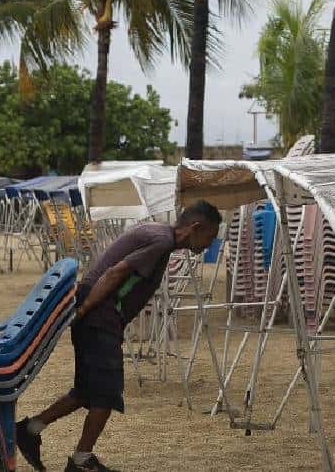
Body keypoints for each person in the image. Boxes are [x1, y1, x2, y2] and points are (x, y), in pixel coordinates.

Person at [15, 200, 223, 472]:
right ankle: (81, 460)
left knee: (87, 390)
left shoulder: (159, 235)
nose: (209, 244)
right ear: (195, 227)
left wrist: (105, 320)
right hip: (99, 314)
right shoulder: (161, 242)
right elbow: (116, 273)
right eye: (209, 236)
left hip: (103, 318)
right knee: (107, 394)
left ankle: (31, 430)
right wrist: (86, 309)